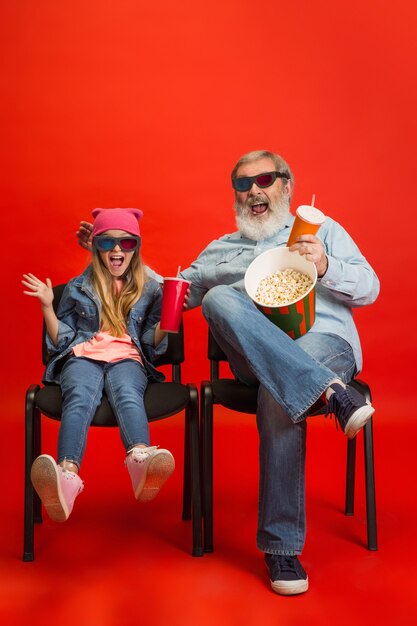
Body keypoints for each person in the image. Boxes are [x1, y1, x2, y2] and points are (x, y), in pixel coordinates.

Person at [77, 151, 379, 595]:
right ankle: (331, 392)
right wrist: (111, 250)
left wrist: (326, 265)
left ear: (287, 186)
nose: (254, 189)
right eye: (243, 183)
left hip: (323, 343)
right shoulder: (221, 249)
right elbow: (168, 294)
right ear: (236, 196)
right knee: (218, 299)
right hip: (255, 363)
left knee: (279, 396)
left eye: (265, 179)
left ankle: (281, 548)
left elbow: (370, 287)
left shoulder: (322, 232)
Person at [23, 208, 175, 523]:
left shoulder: (150, 288)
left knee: (127, 393)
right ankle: (65, 479)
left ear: (136, 247)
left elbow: (149, 344)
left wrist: (165, 326)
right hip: (83, 355)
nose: (117, 250)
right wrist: (47, 306)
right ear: (96, 248)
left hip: (127, 357)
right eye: (107, 243)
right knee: (77, 396)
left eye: (127, 243)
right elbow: (62, 341)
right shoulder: (79, 286)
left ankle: (140, 462)